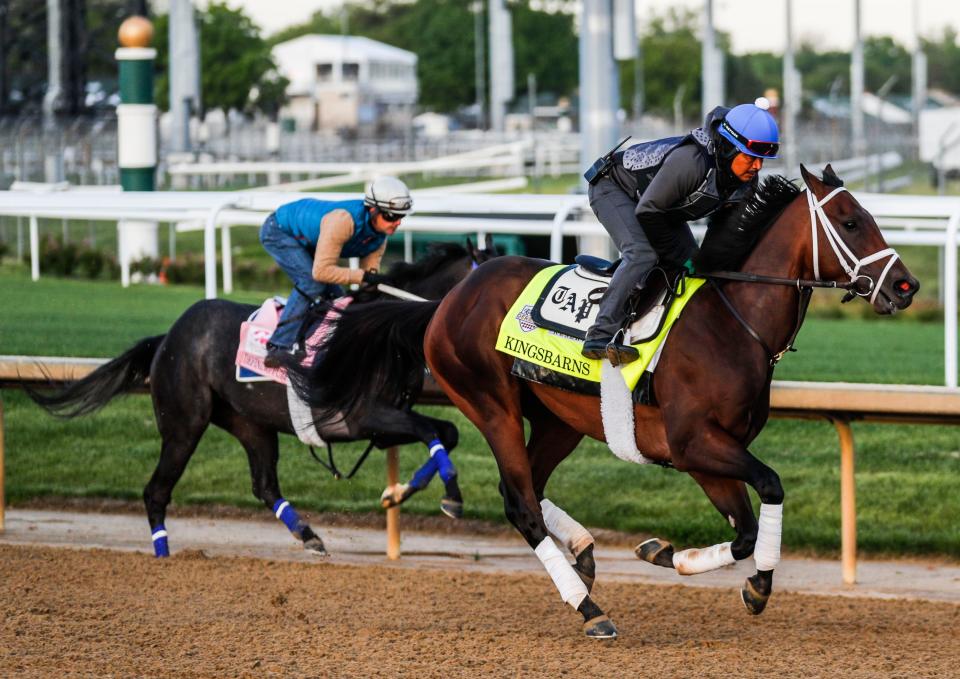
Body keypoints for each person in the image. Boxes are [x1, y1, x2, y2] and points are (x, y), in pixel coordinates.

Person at [581, 102, 780, 364]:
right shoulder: (692, 162)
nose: (757, 167)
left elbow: (721, 231)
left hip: (662, 207)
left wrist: (708, 262)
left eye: (761, 159)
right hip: (613, 188)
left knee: (698, 270)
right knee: (642, 253)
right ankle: (600, 334)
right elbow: (648, 212)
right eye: (750, 157)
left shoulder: (744, 183)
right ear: (730, 149)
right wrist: (678, 255)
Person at [260, 175, 413, 368]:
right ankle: (278, 347)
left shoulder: (379, 238)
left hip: (310, 240)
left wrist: (380, 288)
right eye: (391, 216)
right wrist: (363, 276)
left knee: (339, 299)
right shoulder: (342, 221)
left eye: (401, 216)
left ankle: (321, 347)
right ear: (373, 210)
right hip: (280, 230)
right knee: (311, 282)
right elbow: (321, 272)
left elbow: (368, 281)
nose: (397, 222)